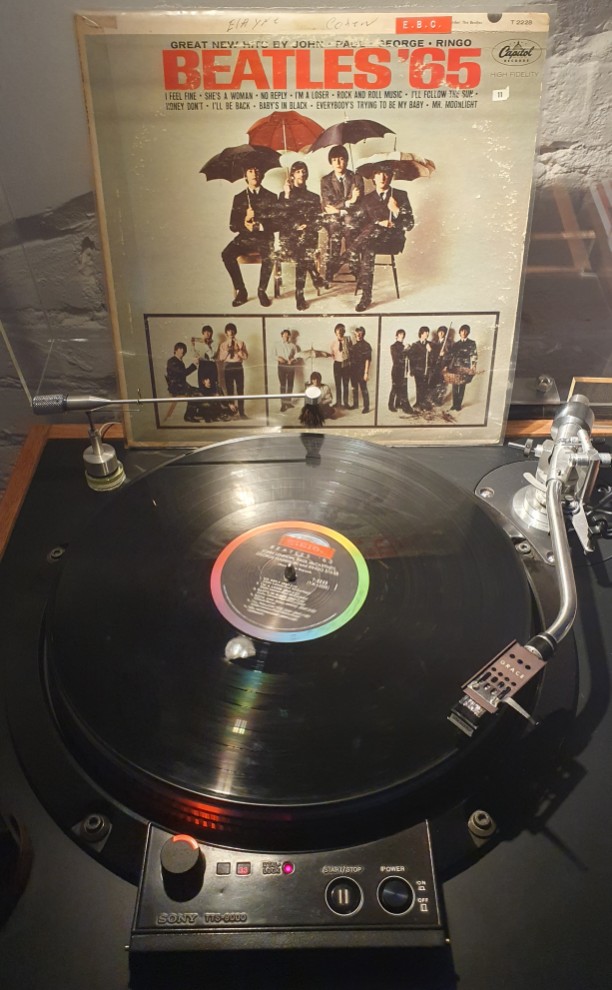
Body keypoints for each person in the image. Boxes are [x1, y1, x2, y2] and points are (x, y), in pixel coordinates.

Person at [349, 164, 414, 313]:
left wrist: (396, 210)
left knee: (370, 239)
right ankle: (366, 297)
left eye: (386, 174)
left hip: (392, 241)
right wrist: (378, 223)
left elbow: (409, 224)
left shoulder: (400, 195)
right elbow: (359, 225)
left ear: (391, 176)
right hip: (371, 241)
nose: (382, 177)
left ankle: (348, 253)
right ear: (373, 177)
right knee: (369, 247)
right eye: (378, 174)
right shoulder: (366, 199)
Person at [221, 163, 277, 308]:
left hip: (265, 238)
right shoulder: (239, 198)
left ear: (261, 174)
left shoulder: (271, 196)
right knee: (226, 254)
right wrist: (245, 221)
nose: (254, 174)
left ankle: (261, 290)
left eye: (257, 170)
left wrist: (260, 226)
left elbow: (277, 225)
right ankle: (241, 290)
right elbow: (232, 226)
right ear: (245, 175)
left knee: (270, 255)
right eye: (250, 171)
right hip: (245, 239)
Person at [277, 161, 324, 311]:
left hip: (307, 238)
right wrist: (286, 195)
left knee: (303, 251)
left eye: (304, 171)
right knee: (302, 252)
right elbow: (280, 220)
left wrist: (307, 226)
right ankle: (314, 275)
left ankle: (300, 294)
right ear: (291, 175)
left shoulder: (313, 197)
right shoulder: (284, 195)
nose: (301, 174)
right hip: (289, 239)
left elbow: (319, 222)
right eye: (298, 171)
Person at [320, 144, 364, 284]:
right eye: (334, 160)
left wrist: (341, 207)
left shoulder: (356, 178)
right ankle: (331, 270)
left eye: (341, 159)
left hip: (352, 218)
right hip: (334, 219)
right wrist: (349, 201)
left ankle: (355, 269)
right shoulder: (326, 180)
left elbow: (360, 204)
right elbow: (328, 205)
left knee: (350, 225)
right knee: (334, 229)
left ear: (346, 160)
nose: (338, 163)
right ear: (331, 162)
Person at [216, 322, 249, 418]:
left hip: (238, 366)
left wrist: (238, 350)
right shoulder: (223, 344)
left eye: (232, 330)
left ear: (235, 331)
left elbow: (246, 357)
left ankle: (242, 412)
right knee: (230, 390)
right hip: (228, 367)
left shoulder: (241, 343)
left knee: (240, 390)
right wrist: (227, 350)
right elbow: (221, 358)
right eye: (229, 330)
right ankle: (232, 412)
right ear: (226, 332)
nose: (231, 332)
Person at [165, 341, 204, 422]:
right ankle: (189, 416)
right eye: (180, 349)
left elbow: (183, 375)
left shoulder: (179, 361)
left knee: (199, 391)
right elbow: (183, 373)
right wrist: (194, 365)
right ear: (175, 350)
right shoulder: (172, 361)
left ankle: (194, 413)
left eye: (183, 349)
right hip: (176, 388)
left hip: (181, 386)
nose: (182, 351)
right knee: (195, 393)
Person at [446, 324, 478, 411]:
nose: (463, 333)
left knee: (462, 386)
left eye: (465, 331)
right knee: (455, 386)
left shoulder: (471, 343)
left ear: (468, 332)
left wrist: (473, 366)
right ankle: (454, 404)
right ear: (459, 332)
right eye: (462, 331)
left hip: (465, 367)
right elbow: (450, 355)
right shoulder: (456, 344)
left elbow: (474, 355)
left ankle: (458, 405)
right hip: (455, 367)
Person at [407, 326, 433, 411]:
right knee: (418, 386)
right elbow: (411, 358)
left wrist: (430, 351)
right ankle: (418, 402)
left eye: (428, 332)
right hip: (417, 370)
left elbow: (433, 357)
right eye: (426, 332)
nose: (427, 334)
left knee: (425, 387)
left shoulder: (429, 344)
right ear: (421, 334)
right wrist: (412, 370)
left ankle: (423, 403)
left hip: (426, 369)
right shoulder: (415, 345)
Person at [275, 328, 299, 412]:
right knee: (283, 385)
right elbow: (273, 355)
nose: (286, 337)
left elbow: (297, 357)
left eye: (287, 335)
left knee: (290, 384)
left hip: (290, 366)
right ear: (282, 335)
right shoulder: (277, 345)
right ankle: (283, 404)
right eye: (284, 335)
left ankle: (288, 403)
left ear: (289, 336)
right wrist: (279, 358)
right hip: (281, 366)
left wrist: (292, 360)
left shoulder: (293, 346)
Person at [350, 326, 372, 413]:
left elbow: (368, 360)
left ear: (363, 334)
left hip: (362, 370)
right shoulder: (353, 346)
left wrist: (366, 373)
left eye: (360, 333)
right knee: (354, 388)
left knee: (363, 388)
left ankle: (366, 407)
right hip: (353, 370)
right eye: (357, 333)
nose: (358, 335)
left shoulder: (367, 345)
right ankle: (355, 404)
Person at [329, 322, 352, 408]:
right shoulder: (333, 343)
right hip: (337, 364)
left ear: (344, 331)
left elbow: (351, 351)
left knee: (345, 384)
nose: (340, 332)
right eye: (338, 331)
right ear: (335, 332)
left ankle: (345, 403)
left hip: (346, 364)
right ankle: (338, 402)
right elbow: (332, 354)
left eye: (342, 330)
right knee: (338, 384)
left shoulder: (348, 340)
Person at [388, 329, 411, 413]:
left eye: (403, 335)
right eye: (400, 335)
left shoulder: (403, 346)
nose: (402, 337)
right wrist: (405, 350)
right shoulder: (393, 346)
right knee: (395, 387)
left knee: (403, 387)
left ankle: (398, 404)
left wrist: (409, 350)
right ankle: (390, 405)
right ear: (396, 336)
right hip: (396, 370)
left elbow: (408, 359)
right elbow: (396, 359)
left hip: (404, 370)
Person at [428, 326, 451, 405]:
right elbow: (431, 354)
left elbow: (451, 356)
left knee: (442, 383)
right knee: (433, 382)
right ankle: (433, 399)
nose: (441, 334)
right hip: (434, 365)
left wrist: (444, 355)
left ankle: (439, 400)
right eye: (439, 332)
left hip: (443, 365)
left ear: (445, 334)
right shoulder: (434, 342)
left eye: (443, 332)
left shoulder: (448, 343)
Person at [191, 325, 218, 389]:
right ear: (203, 333)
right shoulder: (198, 343)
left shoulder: (214, 343)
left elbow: (211, 355)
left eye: (209, 332)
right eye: (205, 332)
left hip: (211, 365)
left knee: (212, 387)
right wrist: (193, 345)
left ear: (211, 333)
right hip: (202, 365)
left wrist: (205, 344)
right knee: (202, 387)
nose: (207, 334)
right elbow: (195, 354)